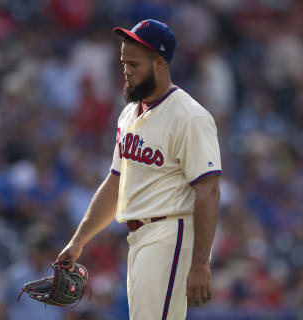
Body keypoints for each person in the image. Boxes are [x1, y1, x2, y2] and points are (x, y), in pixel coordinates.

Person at [57, 19, 222, 319]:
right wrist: (79, 240)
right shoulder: (128, 114)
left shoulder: (189, 117)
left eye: (134, 64)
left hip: (171, 233)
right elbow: (116, 183)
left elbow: (209, 191)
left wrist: (200, 263)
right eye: (123, 63)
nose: (126, 71)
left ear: (159, 63)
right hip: (139, 238)